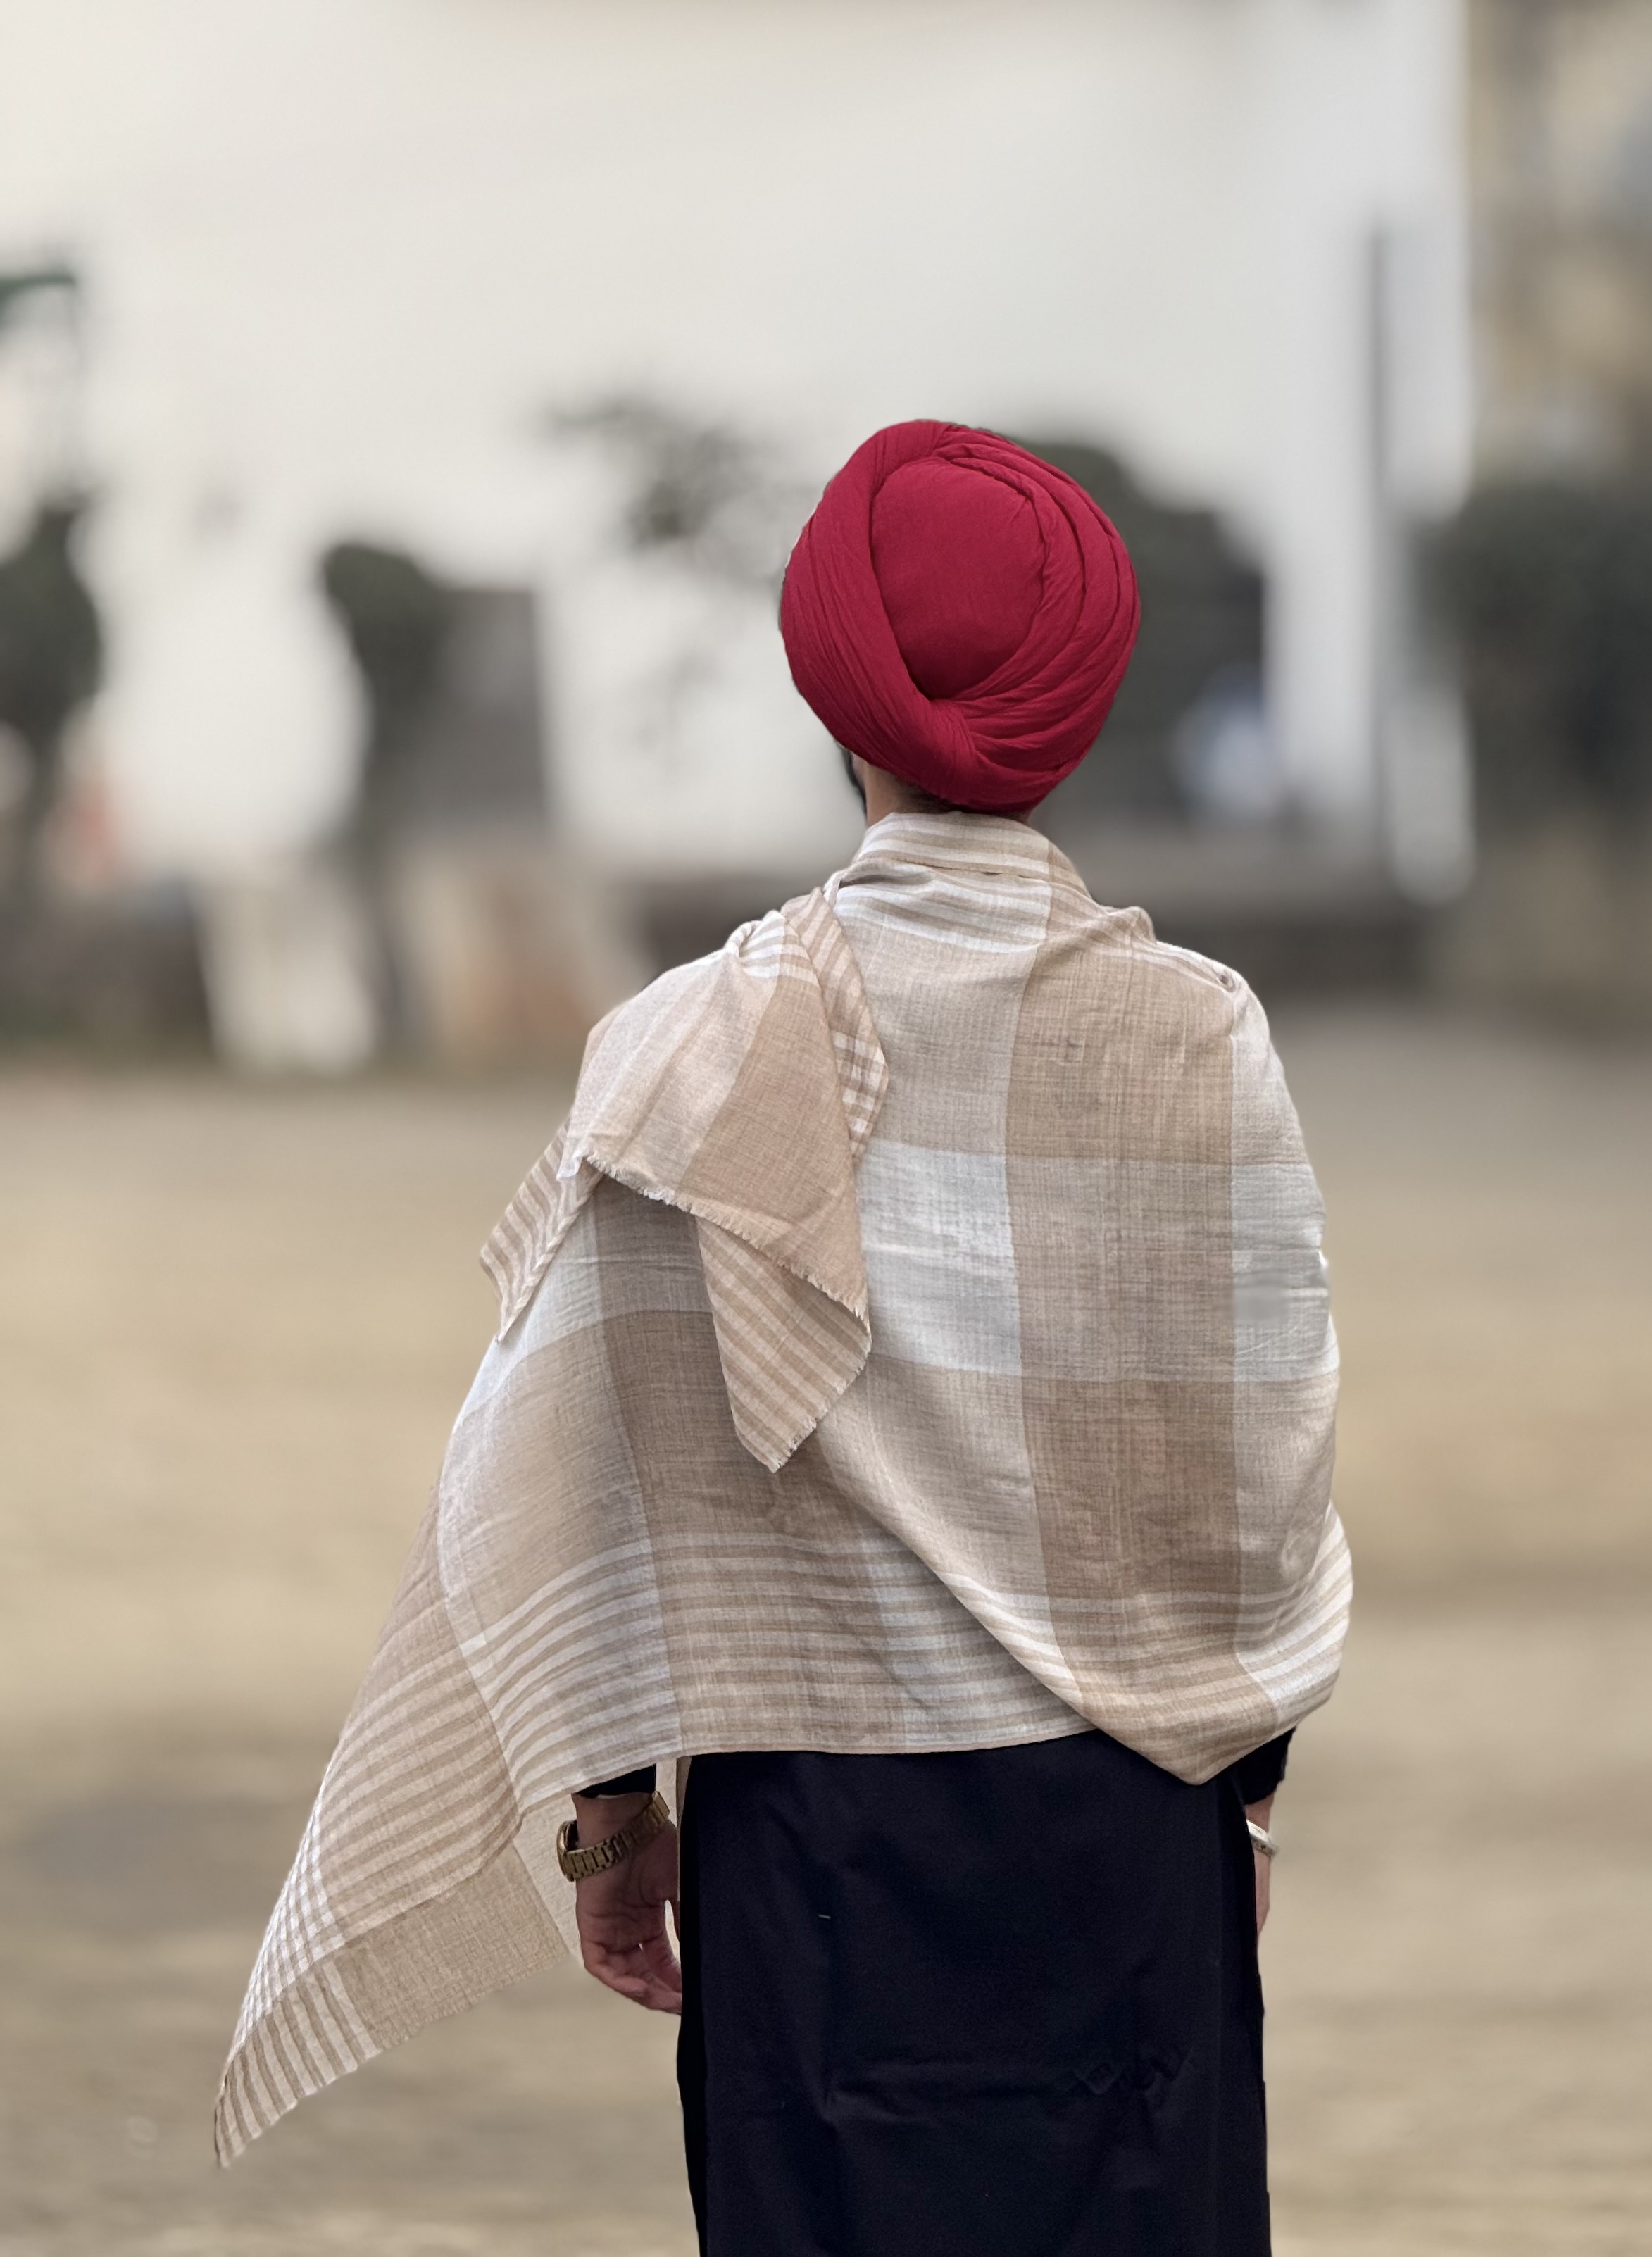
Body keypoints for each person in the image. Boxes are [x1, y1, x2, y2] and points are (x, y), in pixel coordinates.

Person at [218, 422, 1349, 2257]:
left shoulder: (692, 1046)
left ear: (834, 696)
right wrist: (1257, 1792)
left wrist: (612, 1822)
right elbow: (1265, 1463)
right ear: (1074, 708)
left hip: (816, 1853)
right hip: (1129, 1828)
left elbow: (587, 1464)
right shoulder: (1199, 1040)